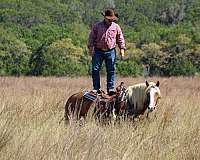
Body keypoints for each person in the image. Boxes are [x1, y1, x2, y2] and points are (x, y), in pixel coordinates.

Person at [88, 9, 126, 96]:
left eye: (112, 19)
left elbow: (120, 39)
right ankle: (96, 88)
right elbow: (91, 38)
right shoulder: (97, 26)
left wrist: (122, 50)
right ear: (104, 18)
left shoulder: (116, 27)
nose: (110, 21)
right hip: (98, 51)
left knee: (111, 70)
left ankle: (111, 88)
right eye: (109, 19)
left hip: (111, 51)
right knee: (95, 69)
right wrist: (91, 48)